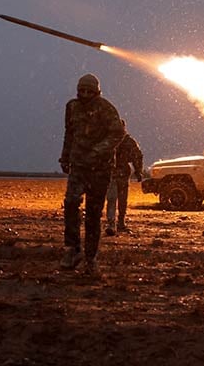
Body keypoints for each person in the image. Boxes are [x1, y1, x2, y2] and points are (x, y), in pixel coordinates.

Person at [59, 73, 125, 275]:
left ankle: (90, 258)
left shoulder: (106, 109)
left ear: (97, 91)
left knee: (93, 214)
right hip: (78, 166)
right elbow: (69, 133)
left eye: (89, 91)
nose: (85, 94)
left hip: (100, 169)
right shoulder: (72, 107)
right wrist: (65, 156)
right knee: (70, 204)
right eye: (82, 91)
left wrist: (98, 150)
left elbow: (118, 133)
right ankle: (72, 249)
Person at [105, 129, 144, 236]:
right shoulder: (112, 140)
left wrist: (138, 171)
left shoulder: (119, 141)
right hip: (114, 174)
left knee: (117, 200)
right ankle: (113, 224)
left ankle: (117, 223)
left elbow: (137, 156)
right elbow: (137, 156)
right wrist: (138, 171)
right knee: (114, 199)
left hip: (119, 174)